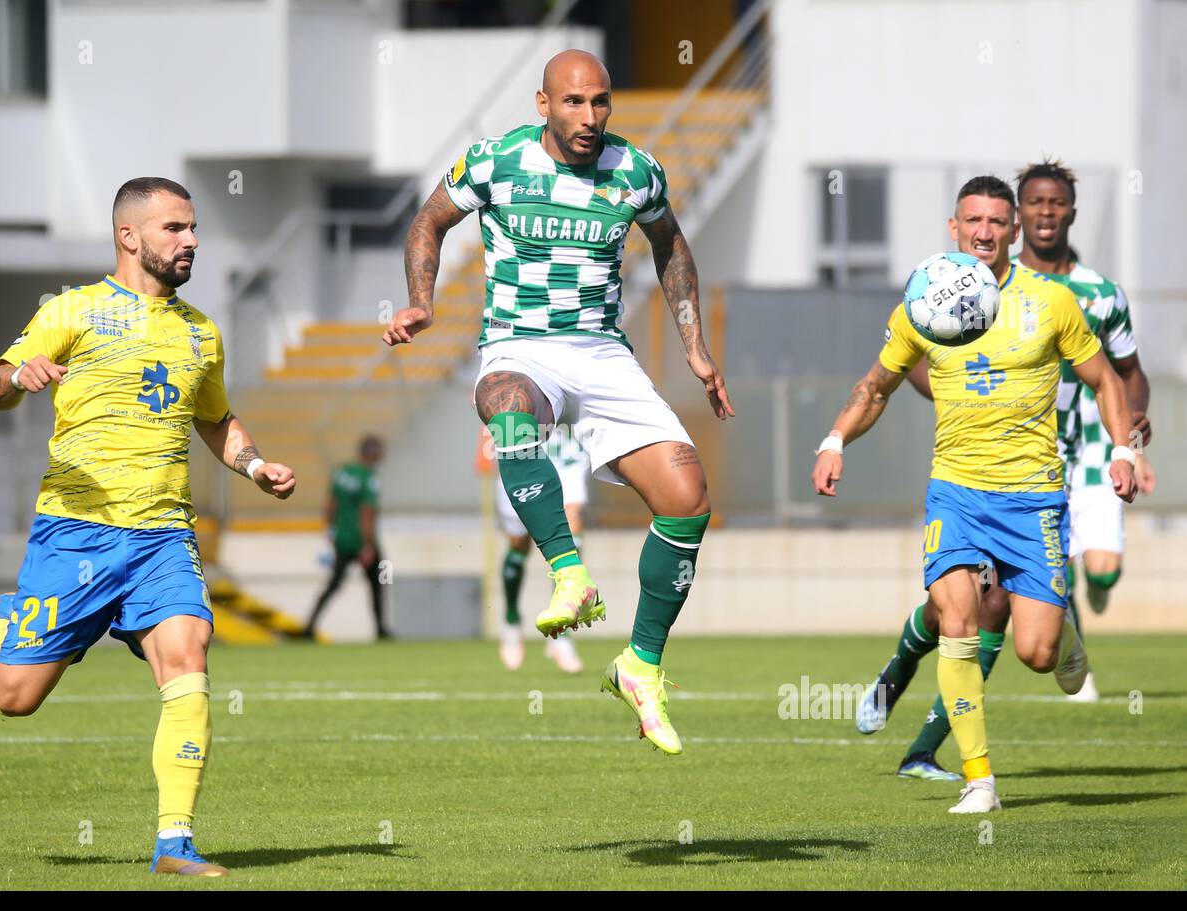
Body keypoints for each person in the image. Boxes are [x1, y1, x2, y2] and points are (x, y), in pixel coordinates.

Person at [383, 50, 734, 755]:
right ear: (543, 105)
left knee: (688, 496)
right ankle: (569, 574)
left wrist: (692, 343)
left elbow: (672, 247)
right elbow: (428, 222)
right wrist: (422, 302)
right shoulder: (495, 161)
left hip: (602, 353)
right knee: (508, 408)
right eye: (574, 102)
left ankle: (640, 664)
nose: (590, 117)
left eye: (601, 102)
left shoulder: (635, 171)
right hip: (521, 345)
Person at [0, 177, 296, 875]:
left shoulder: (200, 332)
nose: (191, 242)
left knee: (189, 654)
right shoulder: (74, 309)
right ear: (130, 237)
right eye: (175, 229)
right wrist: (21, 376)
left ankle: (174, 843)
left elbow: (214, 418)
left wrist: (253, 465)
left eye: (193, 228)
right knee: (15, 699)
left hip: (162, 536)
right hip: (76, 532)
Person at [812, 175, 1137, 813]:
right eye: (972, 220)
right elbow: (877, 385)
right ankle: (979, 779)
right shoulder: (922, 304)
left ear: (1012, 231)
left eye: (996, 221)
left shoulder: (1051, 302)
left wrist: (1123, 451)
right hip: (955, 493)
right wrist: (834, 439)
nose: (984, 231)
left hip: (1034, 498)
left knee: (1035, 653)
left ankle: (1065, 635)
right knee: (958, 624)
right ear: (953, 227)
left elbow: (1107, 380)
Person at [493, 424, 589, 673]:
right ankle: (512, 622)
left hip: (567, 443)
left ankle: (561, 634)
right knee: (519, 543)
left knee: (572, 528)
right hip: (522, 443)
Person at [302, 436, 392, 639]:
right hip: (362, 540)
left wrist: (330, 531)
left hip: (341, 539)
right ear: (372, 453)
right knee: (380, 581)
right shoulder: (369, 477)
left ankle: (309, 626)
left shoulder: (342, 472)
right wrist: (368, 545)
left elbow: (329, 504)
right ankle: (381, 629)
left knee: (333, 585)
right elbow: (367, 512)